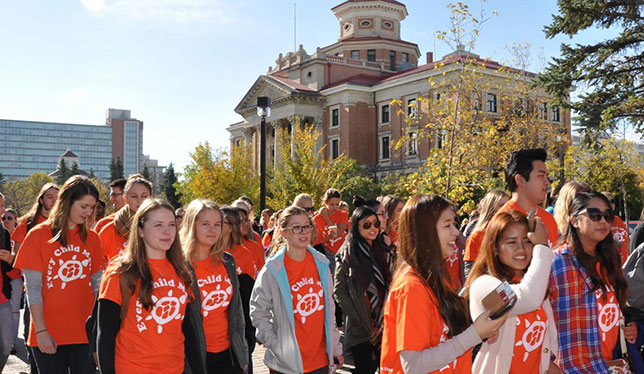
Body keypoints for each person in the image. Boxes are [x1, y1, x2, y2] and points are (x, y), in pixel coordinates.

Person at [379, 194, 507, 374]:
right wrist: (475, 334)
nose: (456, 232)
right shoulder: (411, 287)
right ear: (425, 233)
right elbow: (413, 365)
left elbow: (444, 337)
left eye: (454, 224)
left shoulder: (432, 277)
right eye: (447, 225)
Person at [97, 199, 206, 374]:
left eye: (171, 224)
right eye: (158, 225)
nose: (167, 231)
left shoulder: (181, 271)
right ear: (140, 230)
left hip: (175, 369)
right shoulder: (120, 273)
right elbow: (105, 336)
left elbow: (188, 330)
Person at [13, 175, 103, 373]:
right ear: (67, 202)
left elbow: (99, 286)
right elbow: (33, 289)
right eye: (83, 206)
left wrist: (100, 332)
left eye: (92, 207)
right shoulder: (37, 235)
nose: (88, 213)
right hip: (48, 334)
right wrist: (41, 331)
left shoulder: (93, 238)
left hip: (85, 334)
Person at [250, 206, 343, 374]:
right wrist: (277, 344)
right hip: (286, 364)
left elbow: (329, 308)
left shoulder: (321, 263)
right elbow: (258, 311)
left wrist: (335, 348)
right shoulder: (273, 268)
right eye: (296, 228)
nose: (304, 232)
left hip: (320, 360)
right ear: (284, 232)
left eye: (307, 226)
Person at [551, 192, 637, 372]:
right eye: (595, 215)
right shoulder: (557, 263)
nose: (603, 221)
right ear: (574, 221)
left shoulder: (610, 260)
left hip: (609, 364)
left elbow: (614, 310)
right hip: (572, 368)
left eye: (608, 215)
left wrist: (630, 327)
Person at [464, 211, 560, 374]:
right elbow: (527, 298)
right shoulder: (483, 286)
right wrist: (542, 247)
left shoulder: (534, 284)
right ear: (494, 248)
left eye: (527, 241)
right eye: (511, 242)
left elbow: (539, 355)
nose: (521, 249)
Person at [180, 199, 248, 374]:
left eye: (217, 224)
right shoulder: (179, 266)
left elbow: (237, 311)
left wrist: (242, 353)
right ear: (191, 225)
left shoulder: (227, 261)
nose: (213, 229)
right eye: (205, 224)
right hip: (195, 358)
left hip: (229, 355)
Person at [334, 199, 391, 374]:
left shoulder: (383, 248)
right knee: (364, 370)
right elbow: (339, 291)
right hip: (360, 326)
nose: (372, 228)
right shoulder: (347, 252)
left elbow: (393, 280)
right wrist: (359, 318)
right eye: (366, 225)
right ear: (356, 227)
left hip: (385, 323)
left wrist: (391, 249)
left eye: (375, 223)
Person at [10, 182, 59, 373]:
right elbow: (17, 255)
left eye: (57, 197)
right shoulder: (28, 222)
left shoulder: (64, 223)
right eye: (49, 197)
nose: (53, 201)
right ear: (41, 199)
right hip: (34, 288)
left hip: (60, 289)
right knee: (33, 332)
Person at [220, 206, 257, 374]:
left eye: (221, 222)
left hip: (239, 321)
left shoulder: (244, 253)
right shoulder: (210, 252)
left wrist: (249, 333)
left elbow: (249, 295)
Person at [498, 148, 558, 247]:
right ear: (520, 180)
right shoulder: (502, 221)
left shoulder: (549, 219)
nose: (547, 182)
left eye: (546, 176)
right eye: (540, 176)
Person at [98, 174, 153, 263]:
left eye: (144, 196)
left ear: (151, 197)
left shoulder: (160, 227)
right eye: (134, 196)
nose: (139, 200)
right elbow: (95, 264)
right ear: (125, 198)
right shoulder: (109, 229)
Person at [463, 189, 510, 277]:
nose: (507, 208)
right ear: (491, 208)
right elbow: (470, 272)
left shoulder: (511, 233)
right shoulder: (477, 236)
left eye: (508, 204)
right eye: (501, 205)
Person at [313, 188, 349, 255]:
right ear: (325, 203)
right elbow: (317, 244)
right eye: (332, 205)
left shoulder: (343, 214)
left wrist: (326, 217)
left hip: (343, 249)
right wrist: (327, 237)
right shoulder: (317, 219)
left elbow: (338, 233)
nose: (335, 207)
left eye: (337, 204)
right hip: (328, 252)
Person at [0, 199, 12, 371]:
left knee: (7, 345)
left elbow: (8, 266)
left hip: (2, 297)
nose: (2, 211)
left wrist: (10, 260)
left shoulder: (3, 232)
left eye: (2, 205)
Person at [601, 192, 629, 264]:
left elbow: (626, 241)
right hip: (609, 265)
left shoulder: (618, 219)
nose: (611, 204)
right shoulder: (601, 221)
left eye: (612, 201)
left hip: (623, 264)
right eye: (607, 201)